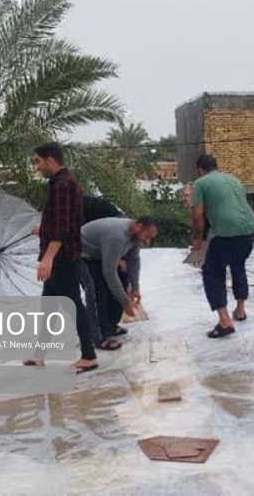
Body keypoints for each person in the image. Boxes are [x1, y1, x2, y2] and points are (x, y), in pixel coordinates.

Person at [26, 142, 97, 374]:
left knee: (73, 305)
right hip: (62, 256)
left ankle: (88, 356)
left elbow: (65, 227)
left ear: (50, 160)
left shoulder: (63, 185)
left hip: (63, 258)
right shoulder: (61, 183)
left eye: (37, 161)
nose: (36, 166)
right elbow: (59, 222)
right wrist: (43, 229)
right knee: (49, 306)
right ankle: (40, 355)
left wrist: (47, 259)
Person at [189, 154, 254, 338]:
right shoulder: (233, 179)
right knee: (238, 265)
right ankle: (240, 310)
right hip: (250, 230)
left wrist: (198, 240)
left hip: (229, 233)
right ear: (216, 166)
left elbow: (197, 215)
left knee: (211, 271)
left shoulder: (200, 183)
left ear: (200, 170)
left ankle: (225, 321)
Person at [81, 216, 158, 349]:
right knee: (97, 291)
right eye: (146, 236)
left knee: (122, 280)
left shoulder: (135, 236)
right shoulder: (117, 237)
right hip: (82, 256)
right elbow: (109, 272)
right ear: (138, 226)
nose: (146, 240)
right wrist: (125, 301)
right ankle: (98, 337)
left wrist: (135, 288)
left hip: (99, 255)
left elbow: (134, 260)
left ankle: (110, 326)